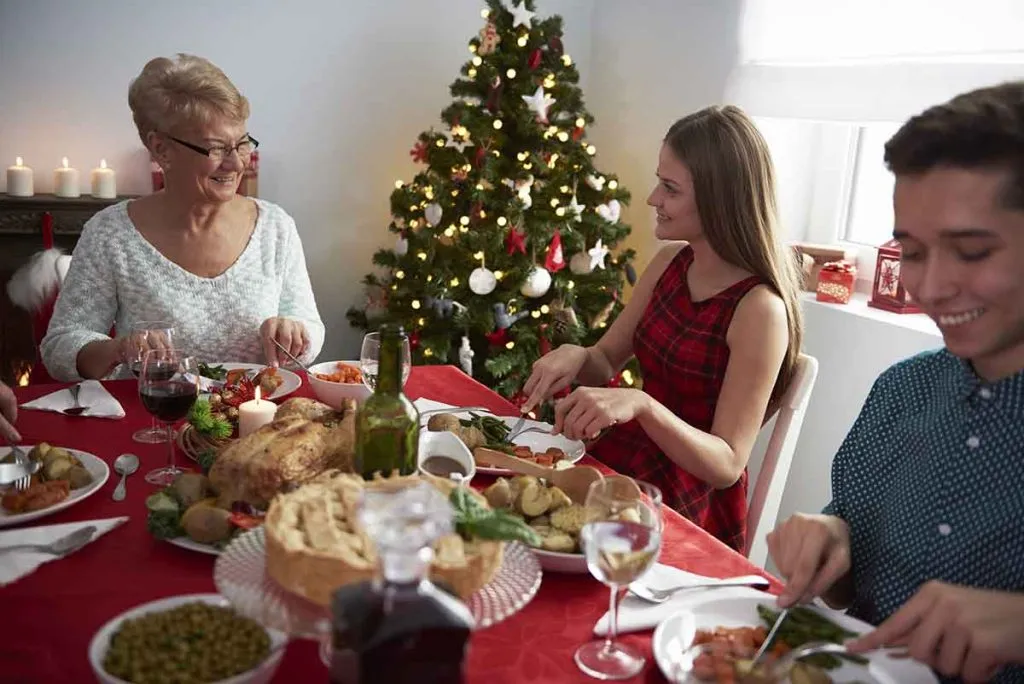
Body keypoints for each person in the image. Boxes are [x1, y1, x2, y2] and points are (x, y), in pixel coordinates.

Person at [767, 81, 1024, 684]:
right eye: (912, 252)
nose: (931, 288)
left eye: (971, 252)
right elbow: (847, 584)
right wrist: (832, 539)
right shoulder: (901, 391)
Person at [521, 105, 804, 551]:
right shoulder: (671, 262)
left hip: (688, 503)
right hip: (628, 466)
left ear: (720, 199)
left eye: (670, 188)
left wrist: (642, 404)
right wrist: (578, 355)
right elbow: (604, 360)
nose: (653, 198)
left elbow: (727, 462)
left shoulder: (759, 310)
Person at [41, 54, 325, 381]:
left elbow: (310, 329)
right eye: (216, 148)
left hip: (257, 424)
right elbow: (59, 348)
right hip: (154, 422)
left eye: (242, 144)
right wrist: (118, 349)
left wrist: (294, 332)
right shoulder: (111, 233)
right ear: (161, 149)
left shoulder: (276, 227)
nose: (235, 164)